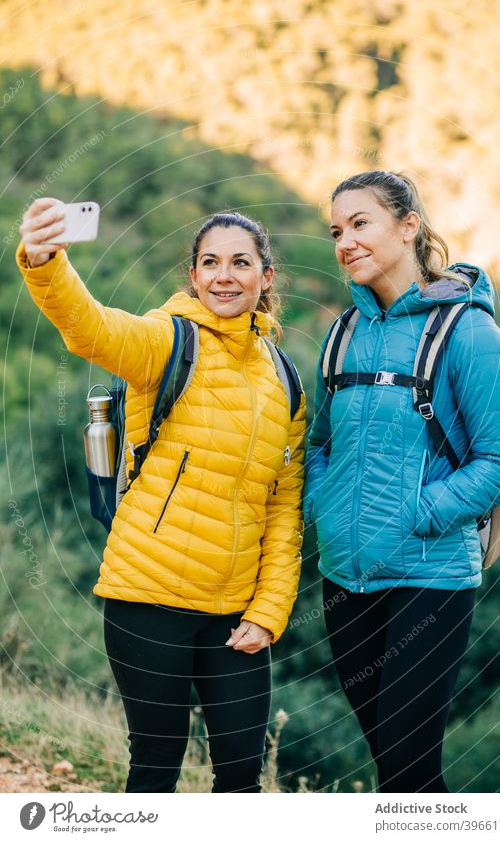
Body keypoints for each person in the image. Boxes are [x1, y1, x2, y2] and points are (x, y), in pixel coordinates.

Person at [17, 198, 306, 793]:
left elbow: (283, 508)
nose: (225, 275)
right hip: (148, 598)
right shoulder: (165, 342)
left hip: (235, 616)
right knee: (155, 769)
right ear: (193, 276)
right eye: (210, 262)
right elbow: (90, 326)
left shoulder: (284, 378)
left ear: (266, 276)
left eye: (240, 262)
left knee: (242, 781)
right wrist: (46, 261)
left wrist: (269, 611)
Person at [304, 171, 500, 793]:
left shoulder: (469, 332)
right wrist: (324, 504)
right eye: (336, 230)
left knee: (408, 767)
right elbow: (320, 442)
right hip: (345, 575)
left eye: (360, 223)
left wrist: (419, 512)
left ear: (408, 226)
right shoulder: (344, 331)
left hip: (429, 576)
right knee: (391, 767)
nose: (345, 240)